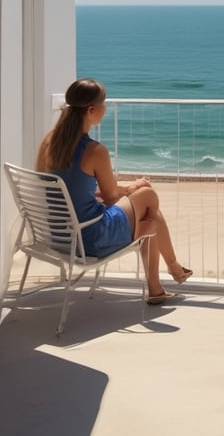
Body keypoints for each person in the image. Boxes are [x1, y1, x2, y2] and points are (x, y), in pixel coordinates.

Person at [36, 78, 192, 304]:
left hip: (59, 235)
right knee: (148, 198)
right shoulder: (95, 151)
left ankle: (162, 284)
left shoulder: (49, 141)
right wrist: (133, 186)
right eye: (103, 104)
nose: (105, 109)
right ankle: (171, 272)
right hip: (89, 239)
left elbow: (56, 186)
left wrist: (123, 189)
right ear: (91, 110)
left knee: (150, 217)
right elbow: (111, 197)